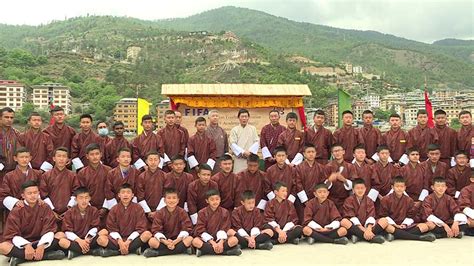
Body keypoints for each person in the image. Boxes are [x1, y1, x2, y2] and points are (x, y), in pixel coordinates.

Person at [0, 180, 65, 265]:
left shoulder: (45, 207)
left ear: (38, 193)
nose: (33, 195)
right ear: (23, 195)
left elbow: (49, 229)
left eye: (35, 193)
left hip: (40, 241)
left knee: (61, 235)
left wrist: (41, 245)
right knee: (3, 247)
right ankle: (46, 255)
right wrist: (26, 245)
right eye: (29, 193)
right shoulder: (17, 210)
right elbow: (12, 233)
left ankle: (20, 258)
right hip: (22, 244)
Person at [96, 183, 152, 257]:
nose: (125, 195)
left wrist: (128, 242)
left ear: (132, 195)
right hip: (117, 239)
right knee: (100, 240)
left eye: (128, 192)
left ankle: (116, 252)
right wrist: (120, 242)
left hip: (133, 239)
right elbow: (112, 229)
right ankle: (132, 249)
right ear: (119, 195)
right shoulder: (114, 209)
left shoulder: (138, 208)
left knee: (147, 234)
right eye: (123, 192)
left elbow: (140, 229)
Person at [379, 176, 436, 242]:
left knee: (424, 226)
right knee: (388, 227)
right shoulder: (386, 199)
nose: (399, 188)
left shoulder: (409, 200)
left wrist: (405, 224)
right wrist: (395, 225)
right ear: (392, 187)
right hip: (392, 225)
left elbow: (412, 216)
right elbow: (383, 216)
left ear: (405, 188)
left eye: (401, 186)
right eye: (397, 186)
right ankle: (419, 237)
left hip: (405, 226)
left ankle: (395, 235)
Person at [58, 187, 108, 259]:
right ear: (76, 199)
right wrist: (79, 241)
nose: (84, 200)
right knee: (62, 242)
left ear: (90, 198)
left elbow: (95, 227)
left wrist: (87, 238)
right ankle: (92, 251)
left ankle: (76, 252)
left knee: (104, 232)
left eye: (86, 197)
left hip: (89, 239)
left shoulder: (93, 210)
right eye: (81, 198)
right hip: (75, 240)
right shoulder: (69, 212)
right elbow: (67, 231)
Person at [143, 188, 193, 257]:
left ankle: (158, 253)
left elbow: (186, 228)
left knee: (189, 239)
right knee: (152, 241)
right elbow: (156, 230)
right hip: (164, 241)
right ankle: (181, 250)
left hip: (178, 240)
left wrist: (175, 242)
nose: (171, 200)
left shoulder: (182, 212)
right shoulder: (160, 212)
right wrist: (166, 242)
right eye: (169, 198)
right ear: (164, 200)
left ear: (178, 200)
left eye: (174, 198)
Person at [191, 189, 242, 257]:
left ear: (220, 199)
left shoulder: (225, 212)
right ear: (207, 201)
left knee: (234, 240)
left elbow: (225, 229)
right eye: (212, 200)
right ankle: (227, 252)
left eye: (217, 199)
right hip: (207, 240)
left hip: (221, 239)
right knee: (195, 241)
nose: (215, 202)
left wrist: (220, 242)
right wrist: (213, 243)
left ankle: (204, 251)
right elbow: (200, 230)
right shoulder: (202, 212)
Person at [340, 178, 387, 244]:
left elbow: (371, 216)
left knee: (384, 221)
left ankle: (359, 236)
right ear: (353, 190)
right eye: (357, 188)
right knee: (344, 222)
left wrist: (369, 229)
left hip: (367, 226)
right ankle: (372, 238)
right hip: (355, 227)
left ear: (365, 189)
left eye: (362, 188)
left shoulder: (369, 200)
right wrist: (365, 230)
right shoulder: (349, 200)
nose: (360, 190)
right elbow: (351, 217)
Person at [39, 147, 79, 221]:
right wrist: (52, 211)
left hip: (69, 212)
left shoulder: (73, 175)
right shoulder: (46, 175)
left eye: (64, 156)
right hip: (49, 212)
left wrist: (69, 208)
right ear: (54, 158)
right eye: (59, 156)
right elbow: (43, 195)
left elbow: (76, 193)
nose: (61, 159)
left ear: (68, 159)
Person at [76, 144, 111, 226]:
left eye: (97, 154)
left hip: (106, 207)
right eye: (92, 154)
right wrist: (89, 207)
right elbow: (81, 192)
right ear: (87, 156)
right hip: (87, 208)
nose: (95, 157)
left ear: (101, 155)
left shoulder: (109, 171)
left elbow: (111, 191)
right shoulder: (82, 173)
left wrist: (105, 208)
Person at [295, 144, 326, 222]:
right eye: (308, 152)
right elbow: (298, 184)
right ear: (304, 154)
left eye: (313, 152)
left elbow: (322, 184)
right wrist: (305, 201)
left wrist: (318, 197)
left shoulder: (321, 167)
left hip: (317, 198)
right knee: (304, 220)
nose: (311, 154)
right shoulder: (298, 167)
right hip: (302, 200)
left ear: (316, 153)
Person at [324, 144, 357, 211]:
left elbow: (354, 185)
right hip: (330, 199)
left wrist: (344, 180)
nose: (337, 153)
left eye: (339, 150)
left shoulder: (350, 166)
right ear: (332, 153)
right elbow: (323, 187)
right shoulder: (328, 167)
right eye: (335, 151)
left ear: (343, 152)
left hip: (346, 199)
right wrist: (329, 180)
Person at [136, 151, 166, 221]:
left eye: (155, 160)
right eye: (150, 159)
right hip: (145, 211)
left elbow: (166, 194)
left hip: (162, 210)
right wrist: (148, 212)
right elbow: (140, 196)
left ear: (159, 161)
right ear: (146, 161)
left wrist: (158, 211)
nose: (153, 162)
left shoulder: (165, 176)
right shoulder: (141, 177)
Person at [229, 109, 259, 173]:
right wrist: (243, 152)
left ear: (248, 117)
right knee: (238, 177)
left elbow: (257, 142)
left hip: (250, 158)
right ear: (239, 118)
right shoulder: (234, 129)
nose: (244, 118)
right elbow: (232, 144)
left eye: (246, 116)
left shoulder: (253, 129)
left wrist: (250, 152)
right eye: (242, 117)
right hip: (239, 158)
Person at [0, 107, 21, 182]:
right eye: (6, 117)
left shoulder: (17, 133)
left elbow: (20, 151)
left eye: (11, 117)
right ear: (0, 118)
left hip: (13, 171)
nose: (9, 120)